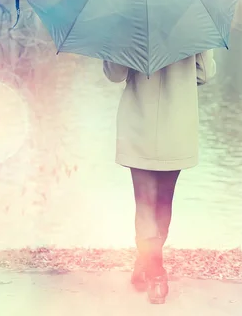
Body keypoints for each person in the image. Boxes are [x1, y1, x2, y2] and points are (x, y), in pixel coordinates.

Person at [103, 50, 216, 304]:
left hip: (138, 123)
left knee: (144, 201)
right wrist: (182, 79)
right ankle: (154, 270)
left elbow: (114, 74)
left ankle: (148, 264)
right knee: (164, 201)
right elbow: (205, 74)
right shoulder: (192, 19)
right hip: (176, 123)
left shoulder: (129, 19)